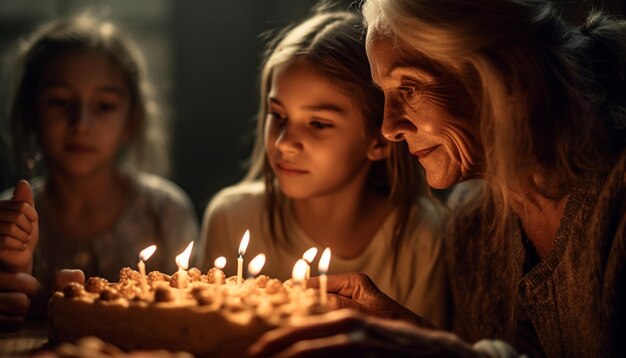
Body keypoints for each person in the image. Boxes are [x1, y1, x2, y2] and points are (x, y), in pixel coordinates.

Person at [248, 0, 626, 357]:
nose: (390, 126)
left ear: (512, 76)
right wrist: (411, 334)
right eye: (384, 95)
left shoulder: (615, 202)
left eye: (409, 88)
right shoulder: (472, 225)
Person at [201, 8, 448, 327]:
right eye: (278, 116)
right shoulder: (231, 217)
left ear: (380, 140)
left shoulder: (423, 235)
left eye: (318, 123)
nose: (284, 143)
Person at [0, 14, 199, 325]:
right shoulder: (11, 221)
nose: (81, 123)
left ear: (130, 121)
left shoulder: (164, 212)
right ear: (30, 112)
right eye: (60, 101)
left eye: (104, 106)